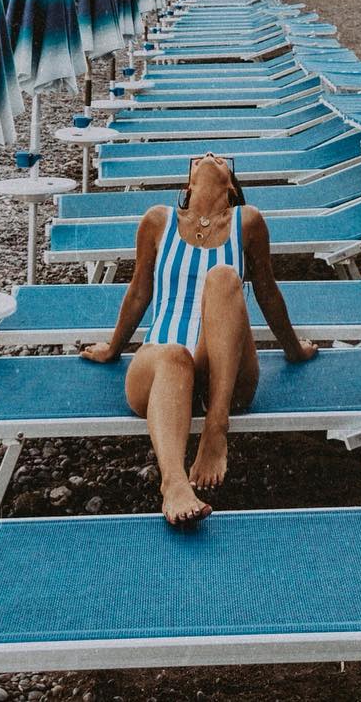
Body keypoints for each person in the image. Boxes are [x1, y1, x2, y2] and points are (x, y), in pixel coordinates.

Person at [81, 152, 317, 524]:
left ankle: (215, 427)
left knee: (223, 277)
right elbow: (139, 291)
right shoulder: (157, 221)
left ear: (232, 186)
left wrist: (295, 349)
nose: (209, 156)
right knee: (173, 353)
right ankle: (173, 483)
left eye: (221, 159)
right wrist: (112, 348)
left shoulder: (248, 221)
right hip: (161, 370)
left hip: (224, 372)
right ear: (188, 184)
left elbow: (268, 292)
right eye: (200, 158)